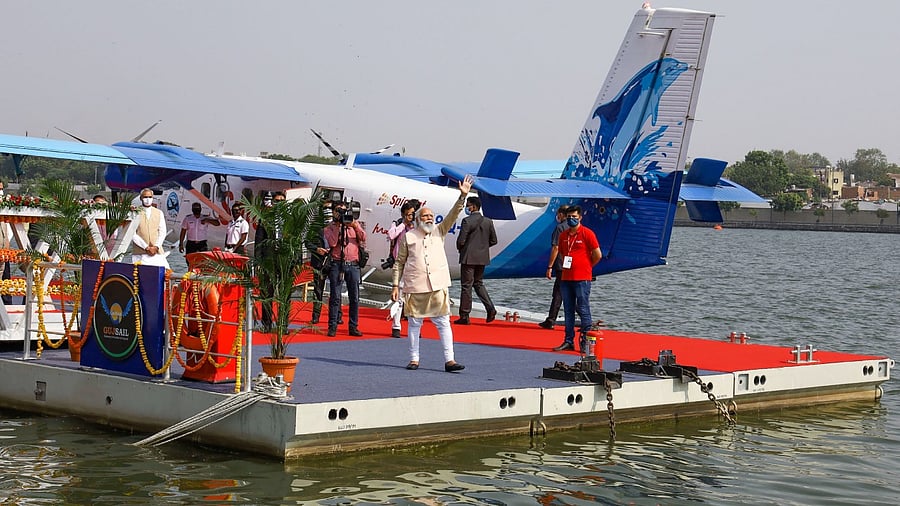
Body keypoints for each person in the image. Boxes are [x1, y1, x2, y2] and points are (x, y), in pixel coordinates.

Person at [391, 174, 473, 372]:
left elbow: (453, 215)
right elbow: (399, 263)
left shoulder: (439, 230)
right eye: (425, 216)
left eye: (431, 215)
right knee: (414, 324)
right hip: (415, 286)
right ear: (418, 220)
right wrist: (395, 285)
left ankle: (450, 360)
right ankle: (414, 359)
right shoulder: (409, 237)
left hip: (437, 285)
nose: (429, 218)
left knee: (444, 323)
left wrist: (462, 197)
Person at [551, 205, 602, 352]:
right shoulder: (563, 235)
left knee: (583, 308)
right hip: (566, 277)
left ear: (580, 217)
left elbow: (597, 254)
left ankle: (585, 341)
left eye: (574, 217)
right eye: (569, 217)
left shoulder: (587, 233)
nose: (571, 219)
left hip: (582, 278)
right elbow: (560, 251)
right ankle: (568, 340)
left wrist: (587, 266)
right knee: (568, 309)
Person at [323, 200, 366, 337]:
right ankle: (333, 326)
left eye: (344, 210)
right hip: (336, 263)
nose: (342, 214)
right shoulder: (329, 227)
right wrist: (337, 226)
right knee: (335, 296)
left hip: (353, 264)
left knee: (354, 297)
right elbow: (333, 242)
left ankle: (353, 326)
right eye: (338, 211)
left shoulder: (353, 225)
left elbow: (363, 238)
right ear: (334, 212)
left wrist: (354, 225)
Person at [454, 196, 497, 325]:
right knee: (478, 283)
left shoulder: (467, 221)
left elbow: (461, 240)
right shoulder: (488, 221)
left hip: (468, 257)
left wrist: (462, 248)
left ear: (472, 206)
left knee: (466, 286)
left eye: (468, 205)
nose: (467, 207)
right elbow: (494, 240)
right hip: (482, 257)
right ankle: (490, 308)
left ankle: (465, 315)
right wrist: (482, 248)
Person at [386, 200, 418, 337]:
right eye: (408, 214)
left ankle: (415, 327)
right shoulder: (398, 223)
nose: (410, 217)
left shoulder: (417, 226)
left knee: (414, 297)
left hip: (415, 264)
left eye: (412, 214)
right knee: (398, 296)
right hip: (400, 263)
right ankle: (396, 326)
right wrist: (403, 224)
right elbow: (390, 235)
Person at [254, 192, 286, 331]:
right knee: (267, 293)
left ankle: (282, 324)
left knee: (285, 292)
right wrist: (258, 261)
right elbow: (259, 241)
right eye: (277, 201)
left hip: (284, 259)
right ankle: (267, 323)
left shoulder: (289, 219)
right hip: (269, 260)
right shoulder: (265, 219)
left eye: (282, 201)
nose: (279, 203)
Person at [540, 205, 570, 330]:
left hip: (561, 264)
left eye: (558, 214)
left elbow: (555, 247)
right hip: (572, 264)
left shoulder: (560, 228)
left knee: (558, 293)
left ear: (561, 214)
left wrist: (549, 266)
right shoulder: (575, 227)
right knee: (573, 291)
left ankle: (551, 319)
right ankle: (584, 319)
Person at [304, 201, 332, 325]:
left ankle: (336, 316)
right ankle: (315, 316)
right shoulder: (315, 227)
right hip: (319, 262)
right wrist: (316, 249)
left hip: (333, 261)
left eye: (330, 208)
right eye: (325, 209)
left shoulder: (339, 227)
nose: (328, 211)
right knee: (318, 290)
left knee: (335, 291)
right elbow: (307, 242)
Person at [132, 188, 170, 269]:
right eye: (145, 197)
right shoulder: (135, 212)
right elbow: (132, 233)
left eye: (150, 197)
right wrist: (146, 247)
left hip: (157, 252)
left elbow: (162, 232)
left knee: (164, 274)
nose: (147, 199)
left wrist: (156, 247)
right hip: (140, 252)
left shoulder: (159, 213)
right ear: (141, 198)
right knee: (138, 276)